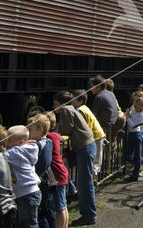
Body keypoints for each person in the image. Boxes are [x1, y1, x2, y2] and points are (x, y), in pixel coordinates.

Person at [53, 91, 97, 226]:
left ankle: (89, 215)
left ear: (61, 103)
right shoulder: (72, 108)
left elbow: (66, 129)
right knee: (84, 181)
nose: (54, 107)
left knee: (84, 182)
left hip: (84, 146)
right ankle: (88, 212)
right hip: (87, 145)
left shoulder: (66, 109)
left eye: (55, 104)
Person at [3, 125, 41, 228]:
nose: (6, 144)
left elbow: (1, 156)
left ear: (20, 142)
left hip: (27, 193)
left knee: (29, 224)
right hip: (26, 193)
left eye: (9, 140)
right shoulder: (23, 149)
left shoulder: (16, 152)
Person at [27, 114, 56, 228]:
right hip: (49, 180)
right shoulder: (48, 142)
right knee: (49, 211)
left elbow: (40, 165)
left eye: (30, 129)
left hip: (43, 182)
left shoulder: (38, 145)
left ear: (40, 130)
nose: (28, 131)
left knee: (43, 213)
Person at [73, 90, 106, 185]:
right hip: (96, 135)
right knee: (95, 160)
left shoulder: (80, 111)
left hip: (95, 136)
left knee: (95, 160)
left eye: (74, 99)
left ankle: (92, 180)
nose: (71, 101)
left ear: (80, 101)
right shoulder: (84, 108)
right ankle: (92, 179)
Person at [44, 111, 70, 228]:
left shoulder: (48, 136)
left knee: (59, 207)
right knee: (63, 205)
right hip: (60, 173)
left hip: (57, 174)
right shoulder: (55, 135)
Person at [123, 93, 143, 182]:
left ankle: (134, 176)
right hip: (131, 134)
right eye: (138, 104)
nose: (140, 107)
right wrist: (127, 114)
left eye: (142, 105)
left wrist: (127, 118)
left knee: (136, 156)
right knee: (129, 156)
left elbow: (134, 125)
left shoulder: (141, 114)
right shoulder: (133, 110)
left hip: (136, 134)